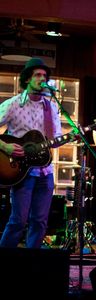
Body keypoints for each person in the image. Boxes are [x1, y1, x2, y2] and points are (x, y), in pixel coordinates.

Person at [0, 57, 62, 248]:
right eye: (37, 75)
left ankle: (31, 266)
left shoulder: (50, 107)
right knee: (18, 221)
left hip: (45, 173)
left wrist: (70, 138)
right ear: (27, 79)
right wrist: (6, 147)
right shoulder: (13, 104)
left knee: (40, 222)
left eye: (44, 75)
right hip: (20, 171)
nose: (42, 79)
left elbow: (55, 140)